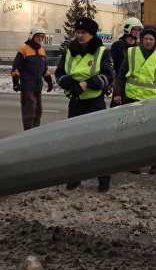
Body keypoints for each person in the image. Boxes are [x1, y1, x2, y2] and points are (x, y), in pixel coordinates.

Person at [55, 17, 115, 192]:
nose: (80, 35)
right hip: (75, 102)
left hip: (94, 103)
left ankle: (103, 179)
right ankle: (75, 177)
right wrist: (72, 84)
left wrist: (87, 84)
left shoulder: (102, 52)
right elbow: (59, 74)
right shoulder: (69, 52)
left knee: (99, 143)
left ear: (92, 34)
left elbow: (108, 76)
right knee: (74, 143)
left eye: (84, 33)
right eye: (78, 32)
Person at [113, 26, 156, 175]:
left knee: (151, 134)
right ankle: (134, 163)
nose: (148, 41)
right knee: (133, 133)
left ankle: (155, 163)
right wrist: (117, 93)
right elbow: (121, 75)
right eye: (146, 38)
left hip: (151, 101)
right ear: (141, 39)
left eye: (151, 39)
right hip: (131, 98)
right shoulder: (132, 52)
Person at [11, 27, 54, 130]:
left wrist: (49, 81)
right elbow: (16, 68)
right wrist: (15, 82)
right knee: (29, 110)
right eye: (38, 36)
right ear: (32, 36)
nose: (40, 39)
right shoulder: (24, 50)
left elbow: (44, 68)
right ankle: (28, 133)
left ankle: (35, 132)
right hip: (27, 86)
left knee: (38, 111)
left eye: (42, 37)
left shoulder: (42, 50)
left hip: (38, 86)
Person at [110, 17, 143, 107]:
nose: (137, 32)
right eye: (135, 29)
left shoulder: (140, 48)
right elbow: (114, 70)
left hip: (134, 89)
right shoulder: (117, 46)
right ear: (127, 29)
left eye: (139, 30)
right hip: (120, 87)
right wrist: (117, 91)